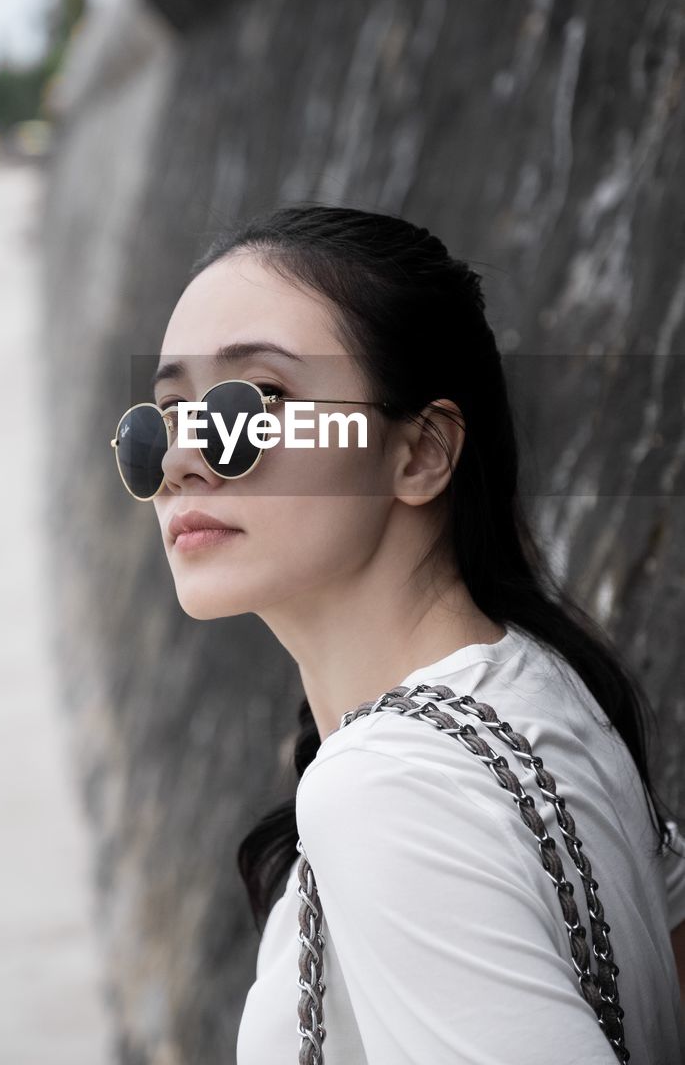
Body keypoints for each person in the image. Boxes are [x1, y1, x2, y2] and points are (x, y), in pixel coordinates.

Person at [111, 203, 685, 1063]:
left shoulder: (387, 789)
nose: (182, 460)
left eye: (251, 403)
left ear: (419, 453)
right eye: (160, 419)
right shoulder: (547, 686)